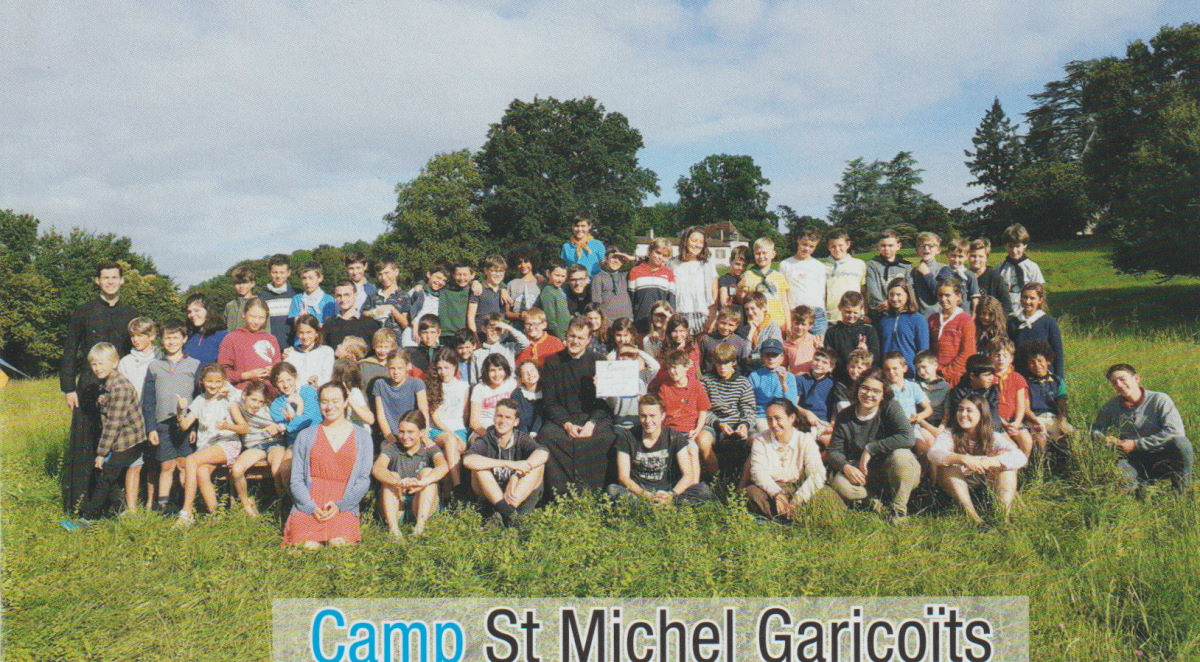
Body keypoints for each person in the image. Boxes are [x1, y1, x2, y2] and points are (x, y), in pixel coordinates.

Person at [60, 263, 138, 515]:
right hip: (87, 389)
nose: (110, 282)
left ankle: (115, 504)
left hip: (118, 391)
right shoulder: (84, 311)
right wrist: (68, 388)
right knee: (87, 444)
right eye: (105, 278)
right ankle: (81, 502)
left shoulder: (130, 313)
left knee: (116, 444)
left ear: (122, 281)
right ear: (97, 281)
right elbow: (71, 349)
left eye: (114, 277)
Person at [283, 382, 375, 548]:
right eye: (325, 401)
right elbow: (296, 479)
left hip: (344, 502)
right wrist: (310, 507)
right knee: (308, 547)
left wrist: (342, 505)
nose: (330, 406)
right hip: (310, 502)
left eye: (335, 401)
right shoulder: (305, 436)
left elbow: (363, 479)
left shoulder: (362, 437)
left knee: (338, 544)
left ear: (346, 402)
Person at [827, 367, 920, 521]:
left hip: (893, 469)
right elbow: (833, 451)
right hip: (866, 474)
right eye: (865, 388)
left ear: (883, 395)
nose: (869, 394)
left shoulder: (891, 407)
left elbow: (908, 437)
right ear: (858, 388)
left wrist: (870, 449)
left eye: (876, 391)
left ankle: (898, 511)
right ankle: (877, 505)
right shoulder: (845, 415)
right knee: (840, 483)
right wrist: (846, 467)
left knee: (902, 456)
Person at [538, 317, 619, 494]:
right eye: (572, 336)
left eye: (580, 338)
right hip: (562, 418)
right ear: (566, 335)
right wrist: (566, 423)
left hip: (592, 417)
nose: (574, 341)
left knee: (607, 438)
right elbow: (549, 401)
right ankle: (560, 494)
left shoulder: (600, 361)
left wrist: (591, 423)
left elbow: (604, 403)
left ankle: (596, 492)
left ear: (589, 340)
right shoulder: (552, 362)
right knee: (547, 437)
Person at [928, 394, 1027, 525]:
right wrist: (962, 459)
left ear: (981, 414)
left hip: (987, 483)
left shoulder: (993, 436)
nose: (963, 414)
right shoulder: (948, 434)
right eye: (960, 409)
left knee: (1007, 465)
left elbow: (1020, 457)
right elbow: (933, 453)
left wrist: (989, 461)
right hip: (957, 484)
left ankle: (1003, 518)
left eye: (969, 410)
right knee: (949, 465)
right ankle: (974, 519)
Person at [1091, 364, 1192, 490]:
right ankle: (1140, 487)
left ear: (1136, 378)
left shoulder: (1159, 399)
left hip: (1162, 454)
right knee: (1124, 484)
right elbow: (1095, 429)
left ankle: (1181, 489)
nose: (1119, 385)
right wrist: (1104, 439)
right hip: (1132, 458)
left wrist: (1135, 444)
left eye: (1122, 379)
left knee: (1182, 443)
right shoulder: (1111, 406)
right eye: (1114, 382)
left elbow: (1175, 432)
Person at [76, 342, 147, 520]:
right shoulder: (107, 382)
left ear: (114, 363)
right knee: (108, 474)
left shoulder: (119, 387)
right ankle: (118, 508)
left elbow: (113, 424)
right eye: (94, 364)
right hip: (119, 439)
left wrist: (101, 453)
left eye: (101, 363)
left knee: (106, 474)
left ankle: (88, 517)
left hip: (130, 441)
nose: (97, 368)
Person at [608, 395, 713, 506]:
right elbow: (623, 477)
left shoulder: (675, 437)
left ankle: (658, 505)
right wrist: (647, 495)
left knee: (703, 490)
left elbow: (688, 475)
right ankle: (662, 506)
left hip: (667, 490)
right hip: (640, 491)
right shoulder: (627, 437)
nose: (648, 421)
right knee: (612, 490)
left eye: (652, 416)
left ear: (662, 416)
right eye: (643, 416)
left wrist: (671, 495)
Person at [174, 363, 245, 525]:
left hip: (227, 443)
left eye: (218, 381)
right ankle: (217, 515)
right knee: (201, 471)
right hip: (207, 447)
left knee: (191, 460)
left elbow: (243, 427)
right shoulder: (200, 400)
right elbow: (184, 425)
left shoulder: (228, 398)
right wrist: (180, 411)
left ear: (224, 382)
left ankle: (186, 512)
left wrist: (227, 426)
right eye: (210, 381)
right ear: (202, 382)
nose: (214, 385)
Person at [141, 320, 200, 513]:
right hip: (162, 424)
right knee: (166, 465)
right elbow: (148, 400)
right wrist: (150, 428)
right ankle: (163, 505)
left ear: (184, 339)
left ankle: (187, 504)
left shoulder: (194, 365)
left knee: (184, 464)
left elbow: (200, 399)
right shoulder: (154, 366)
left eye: (176, 338)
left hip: (186, 424)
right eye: (168, 338)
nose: (172, 342)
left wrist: (195, 427)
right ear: (162, 340)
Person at [464, 399, 549, 525]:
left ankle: (507, 514)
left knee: (537, 466)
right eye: (499, 416)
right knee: (480, 469)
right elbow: (468, 460)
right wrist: (507, 464)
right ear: (493, 418)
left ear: (516, 422)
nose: (503, 421)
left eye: (508, 418)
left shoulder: (521, 438)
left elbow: (543, 452)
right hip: (492, 497)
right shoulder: (486, 439)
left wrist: (516, 475)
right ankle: (510, 516)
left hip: (516, 495)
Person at [744, 398, 832, 521]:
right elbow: (758, 472)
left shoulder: (805, 440)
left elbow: (817, 473)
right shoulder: (761, 440)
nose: (773, 424)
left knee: (827, 494)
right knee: (751, 493)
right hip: (771, 489)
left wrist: (798, 500)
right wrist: (777, 494)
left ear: (791, 418)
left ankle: (784, 517)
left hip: (799, 487)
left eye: (778, 418)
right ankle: (797, 519)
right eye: (769, 419)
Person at [373, 410, 448, 538]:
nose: (405, 436)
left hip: (422, 504)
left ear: (421, 432)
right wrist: (397, 482)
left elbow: (443, 466)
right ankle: (394, 530)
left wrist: (422, 482)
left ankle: (420, 527)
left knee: (427, 472)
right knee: (392, 476)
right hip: (397, 507)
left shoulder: (429, 448)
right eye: (401, 431)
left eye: (410, 432)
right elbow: (377, 468)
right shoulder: (392, 447)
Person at [228, 381, 286, 516]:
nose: (256, 405)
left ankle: (283, 505)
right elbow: (226, 387)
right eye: (253, 399)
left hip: (274, 442)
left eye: (260, 401)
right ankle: (247, 506)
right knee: (236, 470)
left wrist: (278, 426)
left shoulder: (269, 409)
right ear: (244, 396)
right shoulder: (237, 405)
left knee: (277, 467)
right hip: (255, 446)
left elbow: (287, 421)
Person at [656, 350, 715, 474]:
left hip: (692, 429)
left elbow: (703, 410)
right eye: (669, 368)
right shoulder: (665, 387)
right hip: (672, 429)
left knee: (696, 447)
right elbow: (661, 414)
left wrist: (697, 430)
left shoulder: (696, 385)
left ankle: (713, 481)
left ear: (686, 368)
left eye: (676, 368)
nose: (672, 372)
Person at [217, 298, 280, 390]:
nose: (256, 322)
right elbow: (222, 372)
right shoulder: (231, 338)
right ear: (244, 315)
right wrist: (246, 375)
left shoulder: (271, 339)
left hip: (268, 393)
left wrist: (274, 371)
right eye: (253, 316)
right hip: (243, 393)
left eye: (261, 318)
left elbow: (279, 368)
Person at [1006, 282, 1064, 381]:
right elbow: (1009, 351)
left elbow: (1057, 353)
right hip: (1020, 376)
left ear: (1040, 300)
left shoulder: (1048, 322)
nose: (1028, 301)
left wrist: (1059, 379)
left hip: (1044, 376)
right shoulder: (1013, 323)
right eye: (1025, 297)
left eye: (1032, 298)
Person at [702, 343, 756, 448]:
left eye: (726, 363)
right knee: (703, 440)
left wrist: (744, 425)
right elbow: (704, 410)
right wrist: (718, 424)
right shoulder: (706, 381)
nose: (722, 367)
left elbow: (749, 409)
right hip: (714, 424)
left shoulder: (743, 382)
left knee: (757, 441)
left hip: (738, 423)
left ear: (733, 362)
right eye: (719, 363)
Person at [779, 226, 828, 337]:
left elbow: (822, 293)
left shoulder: (819, 266)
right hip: (795, 315)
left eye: (811, 246)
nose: (807, 249)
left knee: (818, 350)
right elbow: (783, 295)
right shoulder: (785, 265)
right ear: (798, 240)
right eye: (804, 244)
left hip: (817, 315)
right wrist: (787, 318)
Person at [881, 352, 935, 451]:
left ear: (904, 368)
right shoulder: (884, 389)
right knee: (919, 446)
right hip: (895, 428)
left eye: (895, 368)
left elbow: (928, 409)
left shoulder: (913, 386)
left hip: (913, 425)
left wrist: (919, 416)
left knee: (929, 444)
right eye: (887, 369)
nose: (891, 372)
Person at [737, 236, 790, 335]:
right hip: (757, 324)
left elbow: (784, 303)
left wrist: (788, 324)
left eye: (764, 253)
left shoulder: (779, 277)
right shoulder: (748, 275)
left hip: (778, 323)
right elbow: (743, 300)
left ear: (773, 254)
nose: (761, 256)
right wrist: (740, 289)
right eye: (758, 253)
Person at [877, 278, 929, 378]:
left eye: (899, 295)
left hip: (909, 373)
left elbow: (923, 351)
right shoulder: (884, 320)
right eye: (891, 294)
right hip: (888, 373)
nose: (894, 298)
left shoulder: (918, 319)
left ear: (908, 296)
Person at [928, 280, 976, 387]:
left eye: (947, 295)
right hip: (934, 375)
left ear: (958, 296)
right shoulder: (933, 319)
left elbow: (968, 353)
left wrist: (946, 372)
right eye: (940, 295)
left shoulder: (965, 320)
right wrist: (934, 370)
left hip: (957, 377)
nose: (943, 299)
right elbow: (930, 348)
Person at [373, 350, 430, 440]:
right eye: (392, 368)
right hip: (390, 436)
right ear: (387, 367)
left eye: (400, 368)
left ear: (407, 367)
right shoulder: (380, 384)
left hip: (413, 436)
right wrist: (389, 436)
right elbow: (381, 414)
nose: (396, 372)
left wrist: (425, 435)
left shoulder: (417, 383)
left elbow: (423, 410)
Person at [672, 226, 719, 332]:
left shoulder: (708, 264)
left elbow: (714, 292)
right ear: (685, 241)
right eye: (694, 241)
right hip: (680, 315)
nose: (697, 245)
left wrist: (711, 318)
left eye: (701, 242)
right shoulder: (673, 263)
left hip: (703, 315)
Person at [1025, 343, 1073, 446]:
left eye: (1040, 361)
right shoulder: (1025, 383)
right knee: (1039, 439)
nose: (1037, 365)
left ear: (1048, 362)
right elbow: (1026, 409)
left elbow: (1062, 405)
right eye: (1032, 362)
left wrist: (1062, 420)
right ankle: (1041, 461)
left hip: (1053, 418)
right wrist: (1036, 422)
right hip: (1035, 418)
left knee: (1072, 436)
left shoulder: (1057, 381)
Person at [823, 291, 880, 377]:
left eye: (855, 312)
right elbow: (830, 358)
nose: (851, 316)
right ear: (840, 308)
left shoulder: (868, 329)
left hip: (863, 377)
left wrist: (866, 352)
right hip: (840, 377)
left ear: (861, 311)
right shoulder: (832, 332)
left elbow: (876, 356)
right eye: (848, 312)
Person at [748, 339, 800, 431]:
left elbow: (792, 404)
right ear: (762, 356)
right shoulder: (754, 376)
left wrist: (783, 383)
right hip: (762, 416)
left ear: (782, 357)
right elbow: (749, 402)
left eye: (775, 355)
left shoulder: (789, 377)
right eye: (767, 355)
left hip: (783, 415)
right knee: (769, 432)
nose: (771, 358)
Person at [629, 238, 677, 333]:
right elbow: (631, 300)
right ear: (650, 251)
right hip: (640, 322)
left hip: (661, 324)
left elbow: (671, 302)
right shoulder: (635, 271)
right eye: (658, 253)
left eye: (665, 256)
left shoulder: (669, 274)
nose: (660, 257)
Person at [996, 223, 1045, 315]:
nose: (1014, 250)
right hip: (1004, 314)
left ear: (1024, 245)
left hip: (1026, 314)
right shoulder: (1000, 268)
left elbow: (1039, 294)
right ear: (1005, 246)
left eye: (1018, 246)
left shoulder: (1032, 267)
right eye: (1010, 246)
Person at [469, 354, 518, 440]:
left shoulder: (512, 384)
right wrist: (490, 436)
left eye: (500, 369)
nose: (497, 374)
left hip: (506, 427)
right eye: (492, 370)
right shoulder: (479, 388)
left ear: (505, 370)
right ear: (486, 372)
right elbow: (474, 422)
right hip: (483, 430)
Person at [864, 229, 912, 318]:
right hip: (880, 312)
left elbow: (910, 289)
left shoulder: (906, 266)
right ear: (878, 247)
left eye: (890, 245)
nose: (887, 249)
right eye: (883, 246)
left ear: (898, 246)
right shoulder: (872, 265)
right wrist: (886, 304)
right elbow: (873, 291)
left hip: (902, 310)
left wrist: (900, 305)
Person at [323, 280, 382, 350]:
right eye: (339, 296)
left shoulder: (370, 324)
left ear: (355, 295)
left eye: (347, 295)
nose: (343, 299)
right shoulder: (329, 324)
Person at [945, 354, 1002, 426]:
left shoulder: (992, 391)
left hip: (987, 429)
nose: (991, 378)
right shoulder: (959, 393)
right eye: (986, 375)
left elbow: (994, 418)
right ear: (972, 376)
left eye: (992, 374)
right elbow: (957, 420)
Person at [824, 229, 866, 325]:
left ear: (848, 244)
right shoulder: (823, 267)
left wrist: (864, 312)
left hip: (855, 316)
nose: (837, 249)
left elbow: (863, 291)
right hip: (832, 319)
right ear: (828, 247)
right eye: (833, 246)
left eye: (840, 245)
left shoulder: (859, 264)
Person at [363, 258, 409, 344]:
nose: (384, 277)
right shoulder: (373, 296)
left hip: (395, 344)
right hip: (376, 344)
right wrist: (375, 312)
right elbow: (364, 314)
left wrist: (392, 310)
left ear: (396, 272)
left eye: (387, 273)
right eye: (380, 274)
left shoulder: (404, 296)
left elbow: (405, 323)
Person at [797, 349, 838, 445]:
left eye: (824, 362)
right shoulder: (801, 379)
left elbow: (835, 409)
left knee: (828, 442)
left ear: (831, 368)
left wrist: (832, 424)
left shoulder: (833, 384)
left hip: (823, 422)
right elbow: (793, 403)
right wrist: (806, 413)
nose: (819, 364)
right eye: (817, 359)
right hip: (803, 420)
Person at [283, 314, 334, 388]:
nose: (304, 336)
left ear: (316, 333)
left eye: (308, 332)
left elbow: (327, 377)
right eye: (301, 332)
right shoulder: (290, 353)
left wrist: (317, 384)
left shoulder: (326, 351)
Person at [402, 265, 446, 347]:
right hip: (413, 333)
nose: (440, 282)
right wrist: (415, 326)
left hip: (431, 335)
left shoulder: (442, 296)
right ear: (429, 274)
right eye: (438, 278)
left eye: (444, 280)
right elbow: (407, 310)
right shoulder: (418, 291)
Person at [262, 254, 298, 350]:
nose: (278, 276)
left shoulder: (296, 295)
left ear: (289, 273)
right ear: (269, 273)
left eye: (282, 272)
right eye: (275, 272)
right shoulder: (262, 297)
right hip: (270, 349)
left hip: (293, 349)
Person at [699, 307, 750, 376]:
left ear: (736, 326)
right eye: (723, 323)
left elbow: (743, 365)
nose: (726, 327)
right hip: (709, 379)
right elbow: (700, 361)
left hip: (732, 380)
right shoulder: (706, 339)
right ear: (717, 321)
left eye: (731, 325)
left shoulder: (740, 343)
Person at [967, 239, 1011, 316]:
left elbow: (1006, 305)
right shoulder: (964, 276)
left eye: (980, 256)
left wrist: (998, 322)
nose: (977, 259)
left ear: (986, 257)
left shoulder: (995, 278)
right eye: (973, 256)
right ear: (968, 256)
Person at [224, 265, 272, 335]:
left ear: (252, 284)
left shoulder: (260, 304)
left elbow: (267, 330)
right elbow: (225, 329)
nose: (241, 286)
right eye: (238, 283)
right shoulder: (229, 305)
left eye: (244, 282)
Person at [590, 248, 634, 322]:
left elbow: (645, 264)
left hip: (626, 320)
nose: (616, 261)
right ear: (606, 259)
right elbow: (596, 303)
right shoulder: (598, 277)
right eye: (613, 257)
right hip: (608, 321)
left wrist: (631, 258)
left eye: (620, 259)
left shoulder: (626, 276)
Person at [182, 293, 227, 366]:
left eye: (196, 310)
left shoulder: (223, 337)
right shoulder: (188, 336)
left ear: (208, 311)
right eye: (189, 312)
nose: (192, 315)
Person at [937, 238, 981, 313]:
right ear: (947, 255)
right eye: (953, 256)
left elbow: (975, 298)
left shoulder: (970, 275)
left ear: (967, 256)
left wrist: (974, 313)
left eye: (960, 256)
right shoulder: (943, 272)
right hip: (946, 312)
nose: (956, 260)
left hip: (964, 313)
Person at [741, 292, 783, 366]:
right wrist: (751, 332)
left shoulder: (772, 327)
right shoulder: (746, 327)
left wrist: (752, 359)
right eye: (747, 309)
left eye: (753, 308)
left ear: (763, 308)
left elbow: (773, 354)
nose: (750, 313)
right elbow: (744, 356)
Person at [914, 350, 951, 432]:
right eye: (918, 369)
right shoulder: (916, 386)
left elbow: (947, 412)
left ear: (935, 365)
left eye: (924, 367)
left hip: (938, 423)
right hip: (920, 423)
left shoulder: (945, 387)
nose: (921, 371)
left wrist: (942, 426)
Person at [910, 231, 946, 316]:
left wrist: (927, 274)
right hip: (919, 316)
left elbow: (941, 293)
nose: (926, 248)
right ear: (917, 250)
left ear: (938, 250)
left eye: (931, 245)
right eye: (922, 246)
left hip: (939, 316)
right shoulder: (913, 271)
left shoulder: (943, 269)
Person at [560, 212, 606, 277]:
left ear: (589, 226)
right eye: (577, 226)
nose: (579, 229)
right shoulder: (567, 246)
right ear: (572, 227)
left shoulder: (597, 244)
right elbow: (564, 267)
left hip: (593, 282)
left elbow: (604, 265)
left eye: (583, 226)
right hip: (574, 283)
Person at [473, 255, 511, 333]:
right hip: (481, 334)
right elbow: (470, 317)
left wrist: (503, 288)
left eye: (501, 271)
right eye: (494, 271)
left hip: (499, 336)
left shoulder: (505, 289)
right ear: (486, 271)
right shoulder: (478, 289)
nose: (498, 274)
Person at [506, 248, 542, 325]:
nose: (523, 265)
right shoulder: (511, 284)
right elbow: (507, 313)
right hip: (516, 327)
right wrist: (519, 316)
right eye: (519, 263)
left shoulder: (541, 283)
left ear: (533, 262)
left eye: (526, 261)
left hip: (537, 327)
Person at [535, 262, 571, 338]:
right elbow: (550, 320)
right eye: (557, 275)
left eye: (563, 276)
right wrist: (561, 338)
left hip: (566, 334)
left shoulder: (559, 290)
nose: (560, 279)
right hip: (557, 337)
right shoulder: (548, 291)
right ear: (548, 273)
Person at [783, 306, 820, 376]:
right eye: (797, 323)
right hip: (796, 380)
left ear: (810, 325)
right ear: (792, 323)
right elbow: (783, 366)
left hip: (812, 379)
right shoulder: (786, 344)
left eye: (803, 324)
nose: (799, 327)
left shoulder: (815, 341)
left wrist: (821, 349)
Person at [511, 359, 544, 438]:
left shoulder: (547, 391)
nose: (529, 374)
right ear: (521, 378)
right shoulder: (517, 394)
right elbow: (520, 419)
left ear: (538, 372)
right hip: (523, 433)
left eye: (532, 370)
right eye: (525, 373)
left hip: (543, 432)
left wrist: (534, 432)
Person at [718, 245, 750, 310]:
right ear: (730, 261)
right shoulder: (725, 279)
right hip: (731, 317)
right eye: (737, 264)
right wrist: (739, 288)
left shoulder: (745, 279)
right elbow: (724, 301)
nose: (740, 268)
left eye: (744, 265)